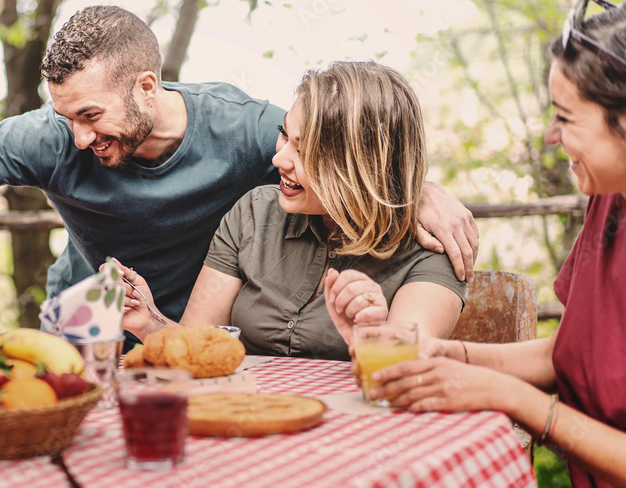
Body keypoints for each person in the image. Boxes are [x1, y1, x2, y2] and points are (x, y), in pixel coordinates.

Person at [0, 6, 479, 329]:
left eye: (93, 116)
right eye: (66, 117)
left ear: (148, 88)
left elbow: (340, 147)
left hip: (197, 325)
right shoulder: (51, 134)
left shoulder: (244, 127)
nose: (79, 137)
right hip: (87, 315)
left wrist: (420, 190)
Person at [368, 0, 626, 488]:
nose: (550, 135)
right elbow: (571, 350)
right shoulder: (608, 199)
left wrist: (514, 401)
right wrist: (446, 354)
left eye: (566, 117)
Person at [114, 62, 465, 358]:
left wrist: (368, 336)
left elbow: (409, 376)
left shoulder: (431, 249)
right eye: (285, 135)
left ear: (363, 164)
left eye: (305, 149)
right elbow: (197, 348)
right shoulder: (253, 213)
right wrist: (148, 321)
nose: (279, 158)